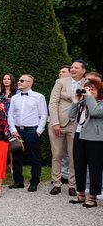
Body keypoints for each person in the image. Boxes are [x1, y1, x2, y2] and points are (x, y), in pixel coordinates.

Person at [48, 59, 87, 196]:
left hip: (76, 124)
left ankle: (72, 185)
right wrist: (55, 123)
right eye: (72, 67)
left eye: (76, 67)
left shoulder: (86, 84)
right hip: (57, 123)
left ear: (83, 70)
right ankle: (56, 184)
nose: (73, 69)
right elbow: (53, 103)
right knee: (57, 154)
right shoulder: (60, 82)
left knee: (73, 155)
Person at [7, 75, 48, 192]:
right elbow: (10, 114)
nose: (19, 82)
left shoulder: (39, 97)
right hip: (17, 131)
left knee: (35, 158)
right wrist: (13, 130)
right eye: (19, 80)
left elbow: (44, 114)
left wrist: (39, 131)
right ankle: (18, 181)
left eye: (22, 80)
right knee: (16, 157)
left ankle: (34, 182)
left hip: (32, 131)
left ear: (29, 83)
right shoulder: (14, 98)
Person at [68, 79, 103, 208]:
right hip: (79, 136)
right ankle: (81, 193)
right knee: (79, 166)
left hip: (95, 139)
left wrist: (88, 97)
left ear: (99, 90)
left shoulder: (100, 103)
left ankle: (93, 196)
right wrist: (76, 101)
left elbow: (94, 111)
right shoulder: (84, 102)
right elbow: (70, 115)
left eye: (92, 88)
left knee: (95, 168)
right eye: (86, 88)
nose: (88, 91)